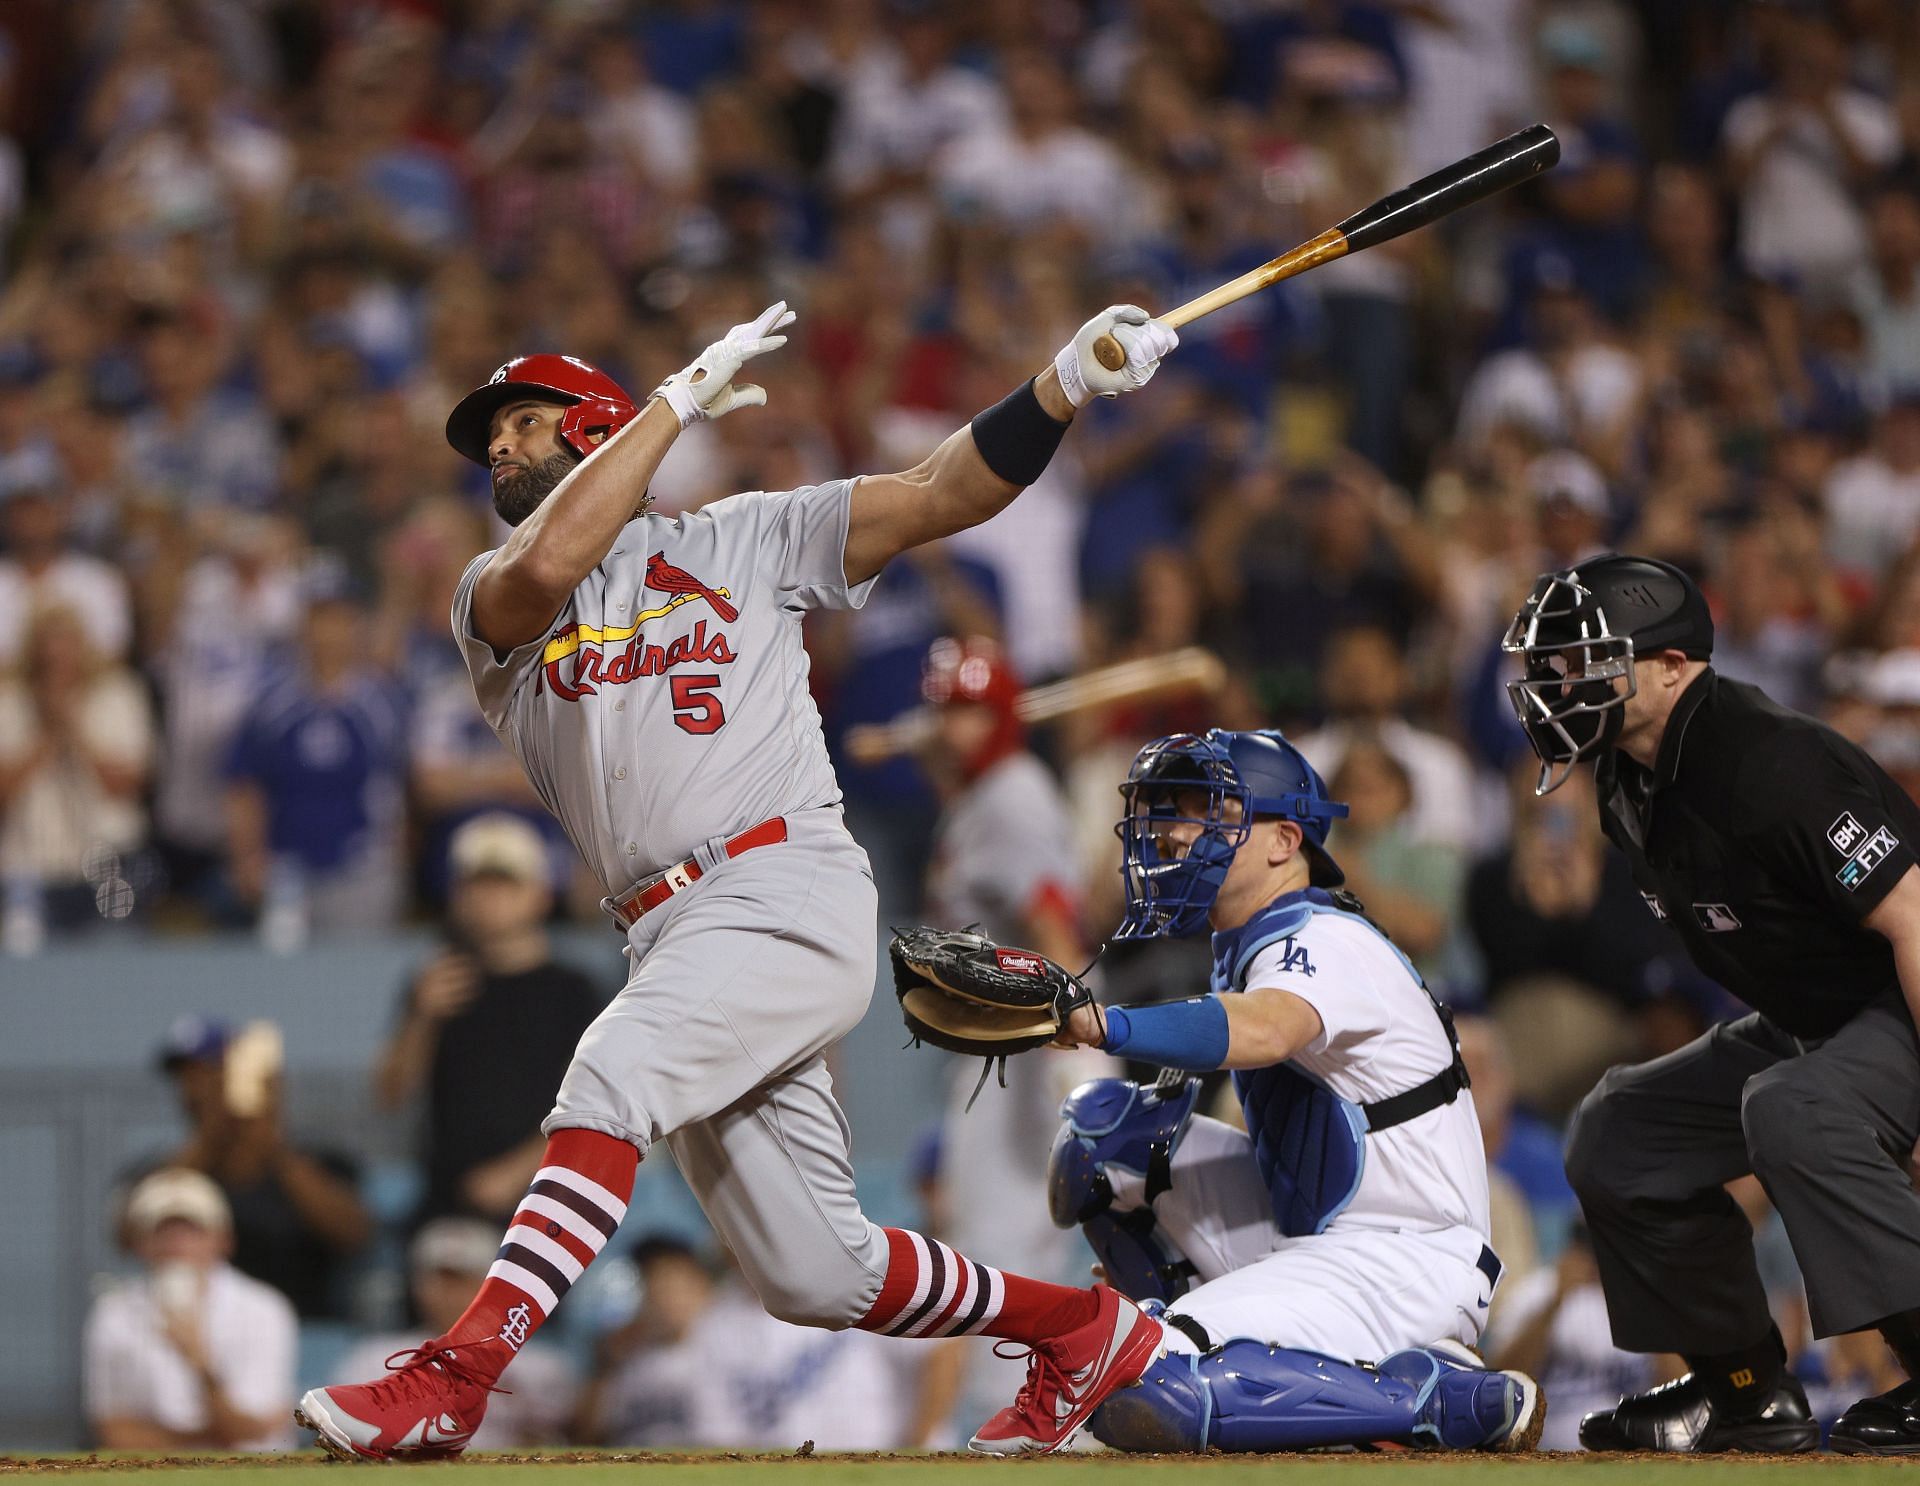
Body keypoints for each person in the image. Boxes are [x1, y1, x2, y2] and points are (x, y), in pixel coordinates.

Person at [296, 298, 1182, 1459]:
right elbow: (553, 559)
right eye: (489, 438)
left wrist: (1062, 382)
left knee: (610, 1075)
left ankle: (459, 1376)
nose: (497, 447)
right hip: (667, 928)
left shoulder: (743, 536)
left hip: (782, 880)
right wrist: (672, 405)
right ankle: (1082, 1325)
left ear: (594, 428)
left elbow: (938, 494)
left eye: (521, 422)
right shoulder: (488, 596)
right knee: (817, 1270)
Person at [1504, 552, 1920, 1453]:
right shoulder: (1626, 777)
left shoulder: (1775, 760)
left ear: (1672, 665)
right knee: (1620, 1130)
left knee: (1794, 1106)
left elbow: (1916, 916)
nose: (1562, 684)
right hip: (1820, 1022)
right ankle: (1744, 1392)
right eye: (1558, 665)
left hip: (1899, 998)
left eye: (1588, 660)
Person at [1044, 729, 1541, 1455]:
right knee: (1103, 1139)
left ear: (1283, 841)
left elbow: (1269, 1028)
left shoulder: (1323, 936)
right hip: (1319, 1236)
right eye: (1175, 812)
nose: (1178, 834)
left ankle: (1432, 1399)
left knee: (1136, 1375)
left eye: (1206, 811)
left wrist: (1105, 1026)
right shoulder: (1247, 944)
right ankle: (1225, 1351)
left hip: (1405, 1260)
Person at [374, 814, 604, 1224]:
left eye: (505, 882)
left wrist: (515, 1174)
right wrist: (421, 1018)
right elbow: (391, 1095)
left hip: (548, 1200)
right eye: (475, 882)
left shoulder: (573, 992)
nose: (488, 897)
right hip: (445, 1200)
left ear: (540, 893)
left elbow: (598, 1107)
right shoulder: (436, 981)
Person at [148, 1016, 370, 1319]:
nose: (198, 1090)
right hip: (188, 1324)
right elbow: (137, 1221)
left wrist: (270, 1139)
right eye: (187, 1078)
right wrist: (212, 1135)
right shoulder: (170, 1169)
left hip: (305, 1329)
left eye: (211, 1074)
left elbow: (354, 1235)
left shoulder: (321, 1163)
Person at [83, 1167, 296, 1452]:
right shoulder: (113, 1314)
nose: (177, 1245)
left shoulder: (264, 1309)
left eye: (192, 1231)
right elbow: (114, 1433)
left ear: (223, 1240)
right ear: (140, 1244)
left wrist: (198, 1363)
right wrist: (210, 1440)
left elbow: (250, 1429)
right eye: (162, 1231)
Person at [334, 1219, 576, 1449]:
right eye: (437, 1279)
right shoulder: (374, 1357)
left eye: (460, 1280)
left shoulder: (540, 1365)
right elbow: (342, 1430)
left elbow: (568, 1440)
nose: (445, 1293)